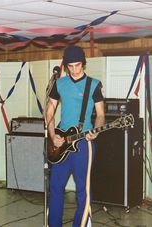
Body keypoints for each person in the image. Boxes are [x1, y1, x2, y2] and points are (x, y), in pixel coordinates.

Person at [46, 45, 105, 227]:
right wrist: (52, 134)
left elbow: (101, 114)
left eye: (77, 65)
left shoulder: (93, 85)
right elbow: (49, 112)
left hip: (83, 144)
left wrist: (95, 130)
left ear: (84, 64)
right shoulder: (59, 83)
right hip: (62, 143)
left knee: (83, 191)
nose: (74, 70)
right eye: (70, 66)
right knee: (55, 188)